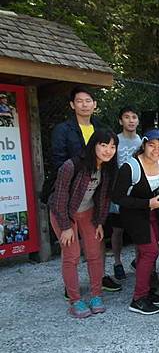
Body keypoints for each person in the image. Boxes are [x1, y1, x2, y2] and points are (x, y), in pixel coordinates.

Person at [50, 85, 121, 292]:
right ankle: (71, 288)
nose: (84, 104)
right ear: (72, 104)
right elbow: (58, 160)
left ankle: (97, 280)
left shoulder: (100, 128)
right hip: (69, 193)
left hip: (92, 197)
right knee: (71, 250)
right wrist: (73, 178)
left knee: (95, 246)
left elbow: (106, 180)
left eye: (88, 101)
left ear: (95, 105)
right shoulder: (63, 130)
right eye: (79, 101)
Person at [48, 129, 118, 318]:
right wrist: (65, 227)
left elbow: (103, 198)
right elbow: (60, 197)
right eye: (103, 145)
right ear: (93, 145)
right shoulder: (71, 166)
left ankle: (96, 295)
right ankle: (75, 300)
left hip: (88, 212)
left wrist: (100, 222)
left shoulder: (107, 168)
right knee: (71, 255)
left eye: (112, 146)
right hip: (64, 213)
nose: (108, 150)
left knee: (95, 253)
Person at [112, 129, 159, 315]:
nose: (156, 149)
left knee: (149, 253)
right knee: (150, 252)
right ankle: (138, 298)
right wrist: (147, 203)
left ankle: (149, 291)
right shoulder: (131, 167)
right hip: (133, 214)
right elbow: (117, 197)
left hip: (153, 213)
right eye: (152, 145)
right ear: (143, 144)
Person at [110, 106, 142, 280]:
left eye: (134, 116)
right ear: (120, 120)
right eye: (127, 117)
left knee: (138, 230)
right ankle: (117, 262)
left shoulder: (142, 141)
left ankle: (138, 261)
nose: (131, 120)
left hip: (136, 193)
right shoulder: (115, 140)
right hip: (118, 191)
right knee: (118, 230)